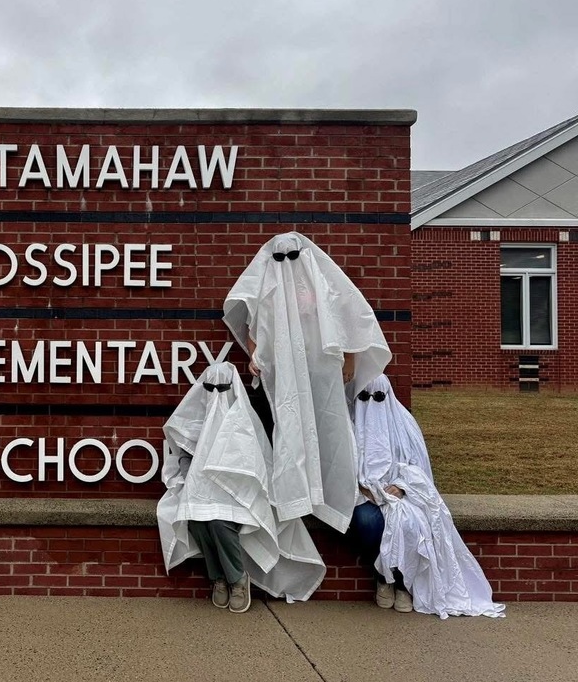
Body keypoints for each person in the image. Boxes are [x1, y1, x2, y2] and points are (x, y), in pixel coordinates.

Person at [223, 231, 391, 533]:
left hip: (321, 373)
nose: (287, 264)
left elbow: (348, 315)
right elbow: (254, 326)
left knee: (327, 426)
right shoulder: (268, 288)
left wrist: (350, 357)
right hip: (284, 376)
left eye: (292, 257)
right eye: (279, 258)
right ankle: (294, 494)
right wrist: (254, 355)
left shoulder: (321, 283)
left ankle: (330, 491)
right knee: (289, 429)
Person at [158, 362, 326, 612]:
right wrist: (189, 483)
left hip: (238, 499)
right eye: (210, 388)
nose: (216, 394)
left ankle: (237, 579)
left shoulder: (244, 423)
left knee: (219, 523)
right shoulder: (195, 421)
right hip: (200, 494)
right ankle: (218, 579)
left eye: (222, 388)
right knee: (196, 522)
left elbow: (256, 466)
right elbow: (184, 457)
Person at [348, 375, 505, 618]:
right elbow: (339, 467)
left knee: (410, 524)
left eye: (378, 397)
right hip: (364, 497)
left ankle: (401, 583)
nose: (372, 402)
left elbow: (417, 465)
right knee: (369, 523)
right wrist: (361, 489)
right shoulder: (349, 424)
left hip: (402, 495)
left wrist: (401, 487)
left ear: (388, 396)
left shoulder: (404, 425)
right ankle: (382, 576)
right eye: (365, 397)